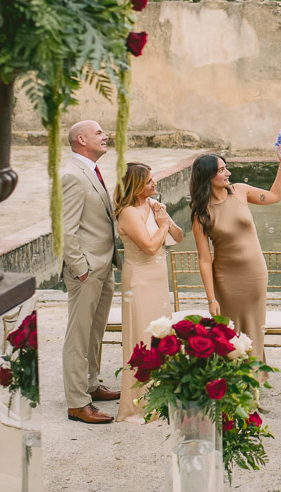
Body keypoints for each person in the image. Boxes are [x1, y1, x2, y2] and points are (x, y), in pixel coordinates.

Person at [190, 146, 281, 369]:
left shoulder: (240, 191)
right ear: (208, 176)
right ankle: (232, 382)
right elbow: (204, 259)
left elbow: (275, 196)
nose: (228, 173)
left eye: (226, 168)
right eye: (222, 170)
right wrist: (211, 298)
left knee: (254, 327)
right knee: (230, 332)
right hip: (226, 279)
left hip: (255, 274)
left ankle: (253, 380)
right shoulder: (201, 213)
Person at [61, 120, 123, 424]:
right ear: (81, 139)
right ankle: (77, 402)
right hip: (86, 270)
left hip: (103, 265)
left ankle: (91, 384)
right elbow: (65, 230)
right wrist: (81, 269)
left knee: (95, 333)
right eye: (99, 132)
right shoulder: (72, 175)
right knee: (78, 335)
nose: (105, 136)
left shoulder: (92, 171)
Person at [114, 162, 183, 423]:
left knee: (161, 336)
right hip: (140, 280)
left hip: (157, 279)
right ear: (134, 185)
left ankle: (161, 395)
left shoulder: (152, 205)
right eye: (148, 181)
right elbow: (149, 247)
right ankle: (139, 404)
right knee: (142, 338)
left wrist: (165, 218)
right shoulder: (129, 212)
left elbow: (178, 236)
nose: (154, 184)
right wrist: (163, 225)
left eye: (153, 179)